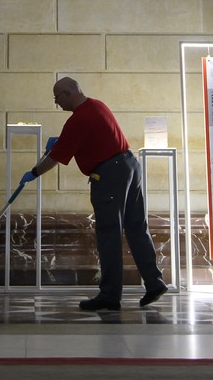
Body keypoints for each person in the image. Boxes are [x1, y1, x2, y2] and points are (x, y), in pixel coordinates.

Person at [21, 77, 167, 311]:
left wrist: (34, 172)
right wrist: (63, 144)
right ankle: (154, 282)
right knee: (137, 227)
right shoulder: (97, 105)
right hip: (130, 166)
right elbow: (85, 140)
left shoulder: (79, 118)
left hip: (109, 176)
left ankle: (110, 295)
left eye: (57, 98)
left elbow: (56, 158)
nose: (56, 103)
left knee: (109, 234)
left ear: (68, 93)